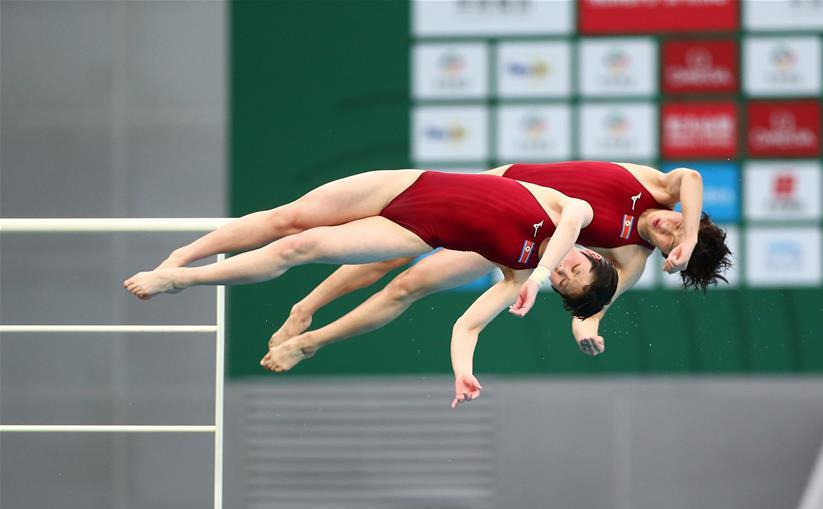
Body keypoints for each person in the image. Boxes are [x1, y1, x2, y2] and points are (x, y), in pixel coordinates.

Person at [124, 169, 619, 407]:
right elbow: (569, 229)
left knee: (304, 247)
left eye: (562, 284)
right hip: (408, 187)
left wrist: (462, 373)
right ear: (592, 254)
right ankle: (183, 254)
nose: (561, 273)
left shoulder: (518, 274)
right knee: (287, 218)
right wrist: (537, 277)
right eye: (573, 269)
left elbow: (468, 326)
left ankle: (181, 280)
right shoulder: (573, 214)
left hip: (413, 232)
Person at [264, 162, 732, 375]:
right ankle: (305, 309)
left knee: (410, 283)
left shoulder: (631, 257)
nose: (668, 229)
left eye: (672, 239)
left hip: (512, 242)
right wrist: (689, 236)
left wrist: (585, 333)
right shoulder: (661, 187)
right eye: (678, 227)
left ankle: (312, 342)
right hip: (491, 192)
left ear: (671, 258)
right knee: (391, 251)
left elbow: (594, 307)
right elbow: (691, 178)